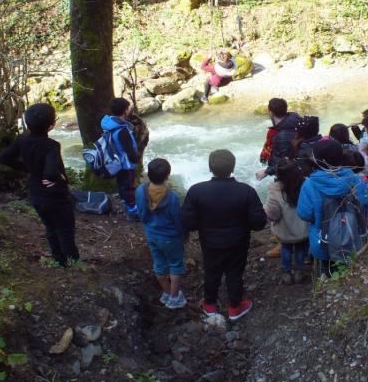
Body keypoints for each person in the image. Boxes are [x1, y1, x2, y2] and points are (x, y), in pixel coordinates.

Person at [183, 149, 267, 321]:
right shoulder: (246, 191)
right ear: (233, 167)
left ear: (210, 167)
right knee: (235, 273)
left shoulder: (196, 191)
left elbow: (188, 223)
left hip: (209, 241)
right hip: (238, 241)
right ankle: (235, 307)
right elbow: (259, 223)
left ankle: (209, 304)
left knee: (211, 270)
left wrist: (203, 224)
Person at [0, 103, 79, 267]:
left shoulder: (22, 140)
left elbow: (3, 158)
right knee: (65, 231)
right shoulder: (51, 146)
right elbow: (50, 173)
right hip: (55, 196)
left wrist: (27, 169)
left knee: (51, 228)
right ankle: (75, 264)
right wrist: (61, 178)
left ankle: (59, 260)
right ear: (51, 126)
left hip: (36, 193)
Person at [297, 139, 368, 278]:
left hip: (323, 241)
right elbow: (364, 204)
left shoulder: (310, 184)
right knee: (350, 267)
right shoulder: (355, 179)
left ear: (317, 160)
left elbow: (305, 214)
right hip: (353, 236)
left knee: (325, 267)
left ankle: (325, 280)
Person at [135, 158, 187, 309]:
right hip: (170, 237)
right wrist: (183, 234)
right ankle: (175, 297)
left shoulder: (140, 190)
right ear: (167, 175)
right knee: (176, 265)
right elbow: (177, 220)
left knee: (159, 265)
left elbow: (141, 212)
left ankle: (166, 293)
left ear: (149, 175)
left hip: (151, 234)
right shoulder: (172, 198)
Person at [264, 160, 309, 285]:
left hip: (285, 229)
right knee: (300, 248)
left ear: (279, 175)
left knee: (286, 248)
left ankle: (286, 273)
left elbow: (273, 214)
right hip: (303, 227)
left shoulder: (274, 190)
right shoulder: (306, 184)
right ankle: (299, 272)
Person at [102, 98, 140, 219]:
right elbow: (129, 150)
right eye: (128, 108)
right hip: (125, 163)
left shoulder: (109, 123)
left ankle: (125, 204)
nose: (129, 110)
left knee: (122, 185)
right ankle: (133, 212)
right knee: (129, 187)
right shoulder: (122, 130)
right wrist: (137, 160)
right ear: (124, 110)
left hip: (115, 161)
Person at [256, 98, 300, 180]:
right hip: (299, 167)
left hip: (289, 175)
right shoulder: (295, 120)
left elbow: (282, 161)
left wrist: (266, 172)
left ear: (271, 113)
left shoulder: (281, 136)